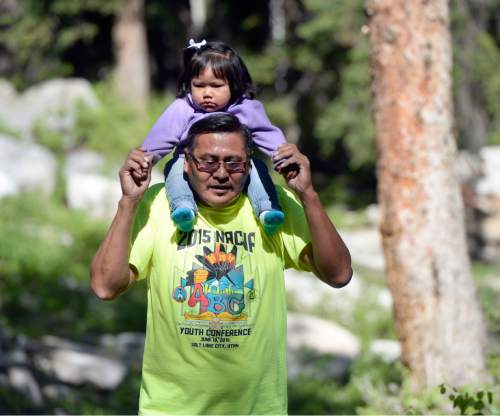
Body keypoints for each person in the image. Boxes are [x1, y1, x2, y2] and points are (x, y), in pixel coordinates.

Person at [91, 114, 352, 415]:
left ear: (249, 165)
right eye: (208, 162)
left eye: (233, 163)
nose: (220, 174)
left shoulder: (272, 205)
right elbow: (104, 286)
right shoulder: (157, 205)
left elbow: (339, 274)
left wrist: (308, 195)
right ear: (186, 163)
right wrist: (128, 203)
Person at [140, 39, 286, 234]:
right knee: (174, 168)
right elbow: (161, 135)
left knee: (257, 168)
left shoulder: (247, 108)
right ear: (189, 84)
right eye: (199, 85)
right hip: (190, 162)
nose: (207, 93)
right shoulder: (183, 108)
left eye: (216, 86)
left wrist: (282, 156)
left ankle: (267, 209)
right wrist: (144, 160)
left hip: (236, 166)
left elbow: (268, 134)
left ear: (234, 85)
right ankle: (183, 208)